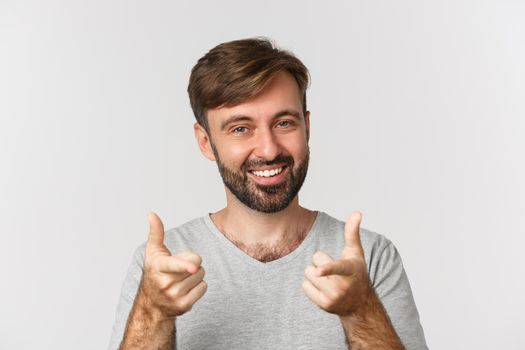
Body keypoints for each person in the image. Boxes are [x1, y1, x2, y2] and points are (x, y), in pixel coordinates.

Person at [109, 37, 427, 350]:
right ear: (205, 142)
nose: (268, 148)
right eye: (241, 128)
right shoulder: (161, 267)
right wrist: (154, 311)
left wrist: (361, 310)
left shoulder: (369, 257)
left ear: (307, 127)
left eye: (284, 123)